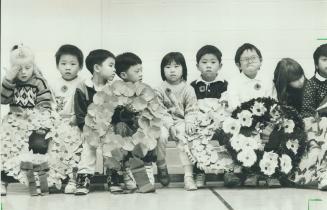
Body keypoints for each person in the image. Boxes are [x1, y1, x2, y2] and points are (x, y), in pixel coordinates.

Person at [1, 45, 53, 196]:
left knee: (37, 144)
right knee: (6, 146)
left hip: (35, 120)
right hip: (14, 120)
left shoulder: (39, 82)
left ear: (33, 65)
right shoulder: (11, 82)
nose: (23, 72)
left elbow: (45, 103)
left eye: (27, 67)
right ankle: (3, 180)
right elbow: (3, 99)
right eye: (18, 68)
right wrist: (8, 80)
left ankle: (37, 178)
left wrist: (38, 119)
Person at [190, 45, 241, 188]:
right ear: (197, 65)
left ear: (220, 65)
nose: (208, 66)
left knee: (228, 136)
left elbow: (229, 107)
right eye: (204, 62)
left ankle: (228, 171)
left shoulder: (225, 85)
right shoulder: (193, 86)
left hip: (220, 122)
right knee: (196, 139)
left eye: (213, 62)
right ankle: (199, 172)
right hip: (200, 123)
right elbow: (191, 107)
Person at [74, 49, 119, 195]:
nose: (115, 70)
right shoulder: (83, 87)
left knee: (112, 147)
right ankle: (84, 178)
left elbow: (116, 113)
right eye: (111, 65)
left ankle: (114, 176)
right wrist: (87, 129)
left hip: (108, 128)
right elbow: (80, 113)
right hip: (89, 128)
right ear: (97, 68)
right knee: (88, 148)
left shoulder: (114, 88)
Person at [156, 52, 199, 191]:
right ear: (163, 70)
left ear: (183, 69)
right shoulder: (159, 89)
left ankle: (188, 176)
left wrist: (190, 122)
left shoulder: (188, 89)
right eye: (168, 67)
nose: (172, 70)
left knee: (184, 136)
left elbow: (192, 109)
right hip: (163, 122)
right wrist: (169, 126)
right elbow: (160, 111)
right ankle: (161, 166)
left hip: (181, 121)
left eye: (176, 66)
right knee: (161, 136)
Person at [51, 44, 85, 194]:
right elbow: (49, 104)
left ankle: (73, 178)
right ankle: (56, 178)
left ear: (80, 66)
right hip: (57, 121)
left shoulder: (83, 83)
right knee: (54, 146)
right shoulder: (53, 84)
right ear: (57, 65)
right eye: (63, 63)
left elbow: (86, 106)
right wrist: (54, 118)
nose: (68, 67)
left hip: (76, 122)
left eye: (73, 64)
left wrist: (77, 118)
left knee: (76, 146)